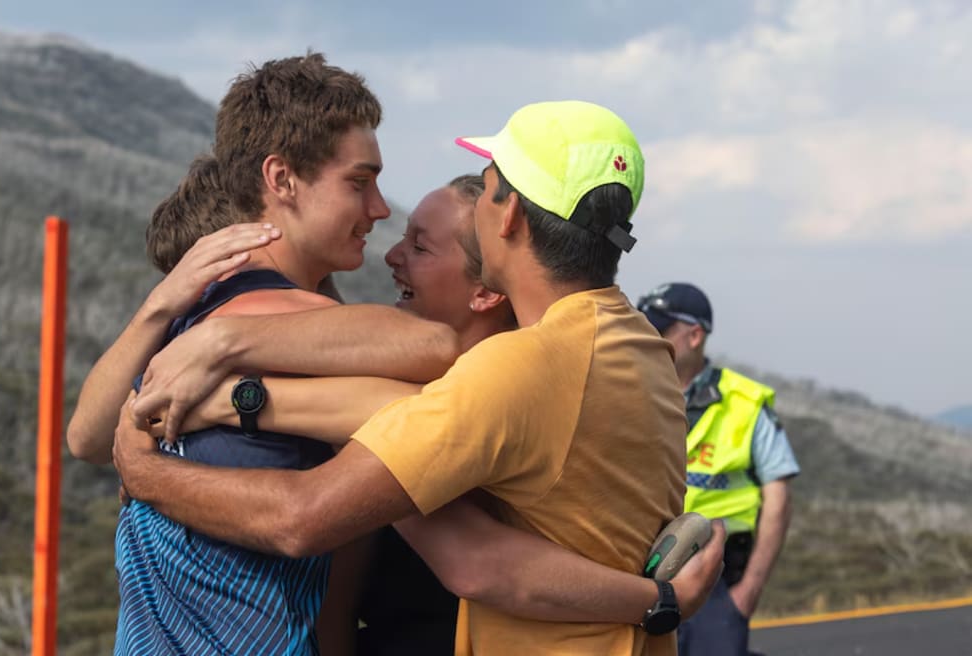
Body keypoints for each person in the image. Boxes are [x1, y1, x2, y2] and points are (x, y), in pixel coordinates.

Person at [116, 100, 694, 655]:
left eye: (489, 187)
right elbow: (398, 412)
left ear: (510, 214)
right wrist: (236, 400)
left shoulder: (522, 369)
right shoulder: (643, 348)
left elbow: (303, 518)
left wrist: (146, 472)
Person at [637, 282, 800, 656]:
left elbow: (779, 500)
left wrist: (747, 594)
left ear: (695, 336)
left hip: (719, 578)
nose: (647, 339)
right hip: (641, 570)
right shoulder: (628, 391)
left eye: (659, 331)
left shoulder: (745, 402)